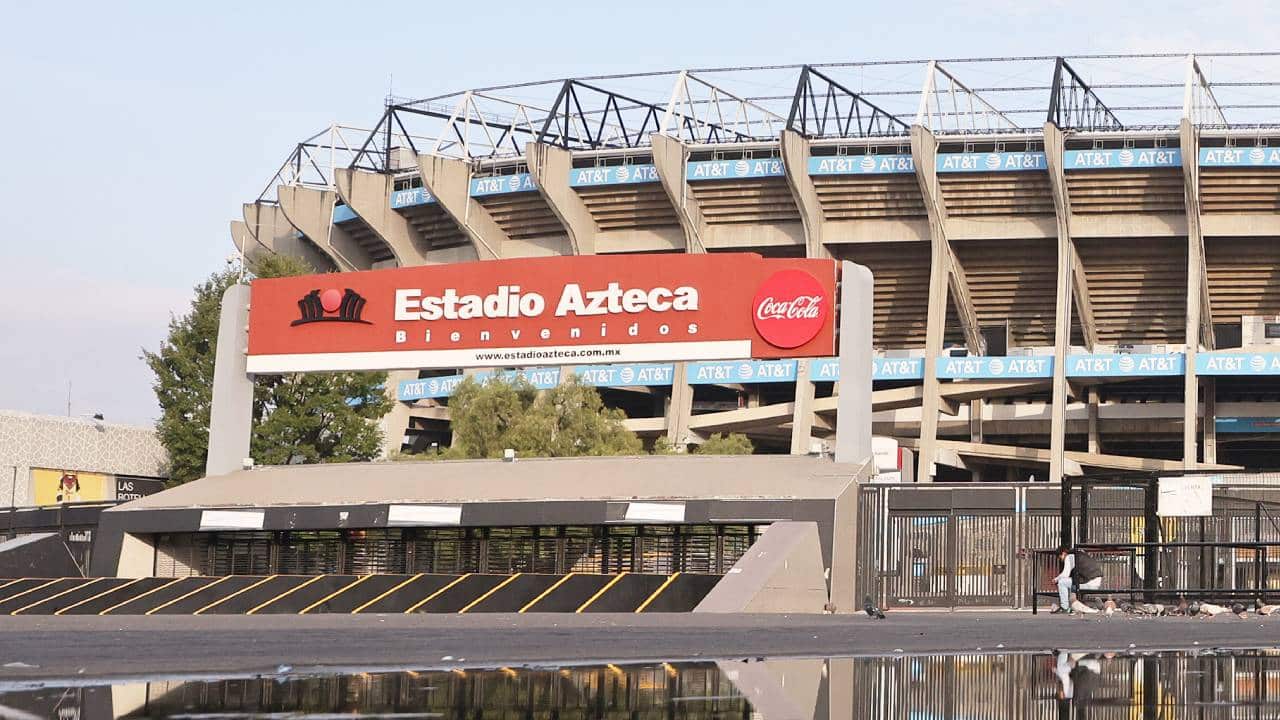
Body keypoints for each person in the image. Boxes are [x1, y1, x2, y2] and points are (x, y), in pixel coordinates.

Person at [1052, 545, 1103, 614]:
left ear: (1063, 553)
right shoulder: (1080, 554)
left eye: (1059, 556)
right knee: (1071, 583)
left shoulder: (1069, 557)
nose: (1061, 559)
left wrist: (1056, 579)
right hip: (1095, 582)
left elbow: (1065, 574)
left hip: (1089, 583)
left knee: (1062, 582)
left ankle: (1064, 607)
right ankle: (1080, 604)